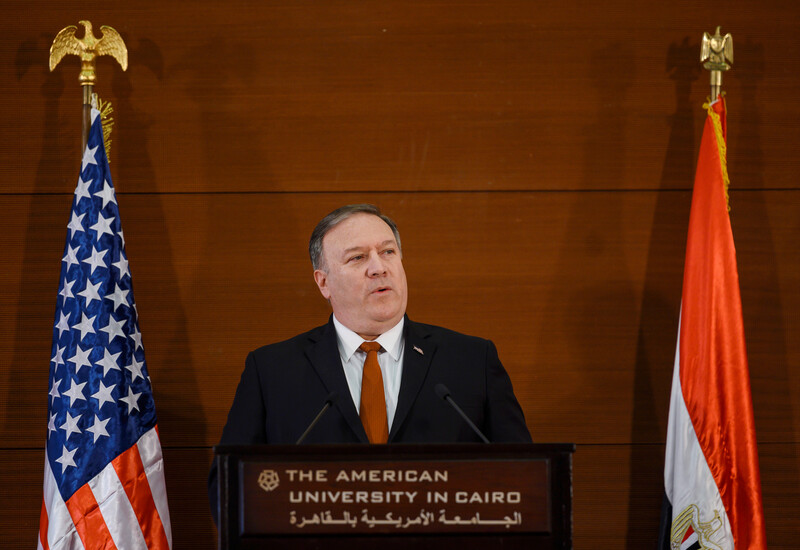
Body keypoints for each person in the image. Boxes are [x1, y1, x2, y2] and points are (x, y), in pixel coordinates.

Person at [208, 204, 531, 521]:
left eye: (388, 252)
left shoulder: (471, 361)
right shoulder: (272, 371)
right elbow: (226, 490)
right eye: (358, 257)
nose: (379, 267)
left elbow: (525, 479)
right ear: (324, 282)